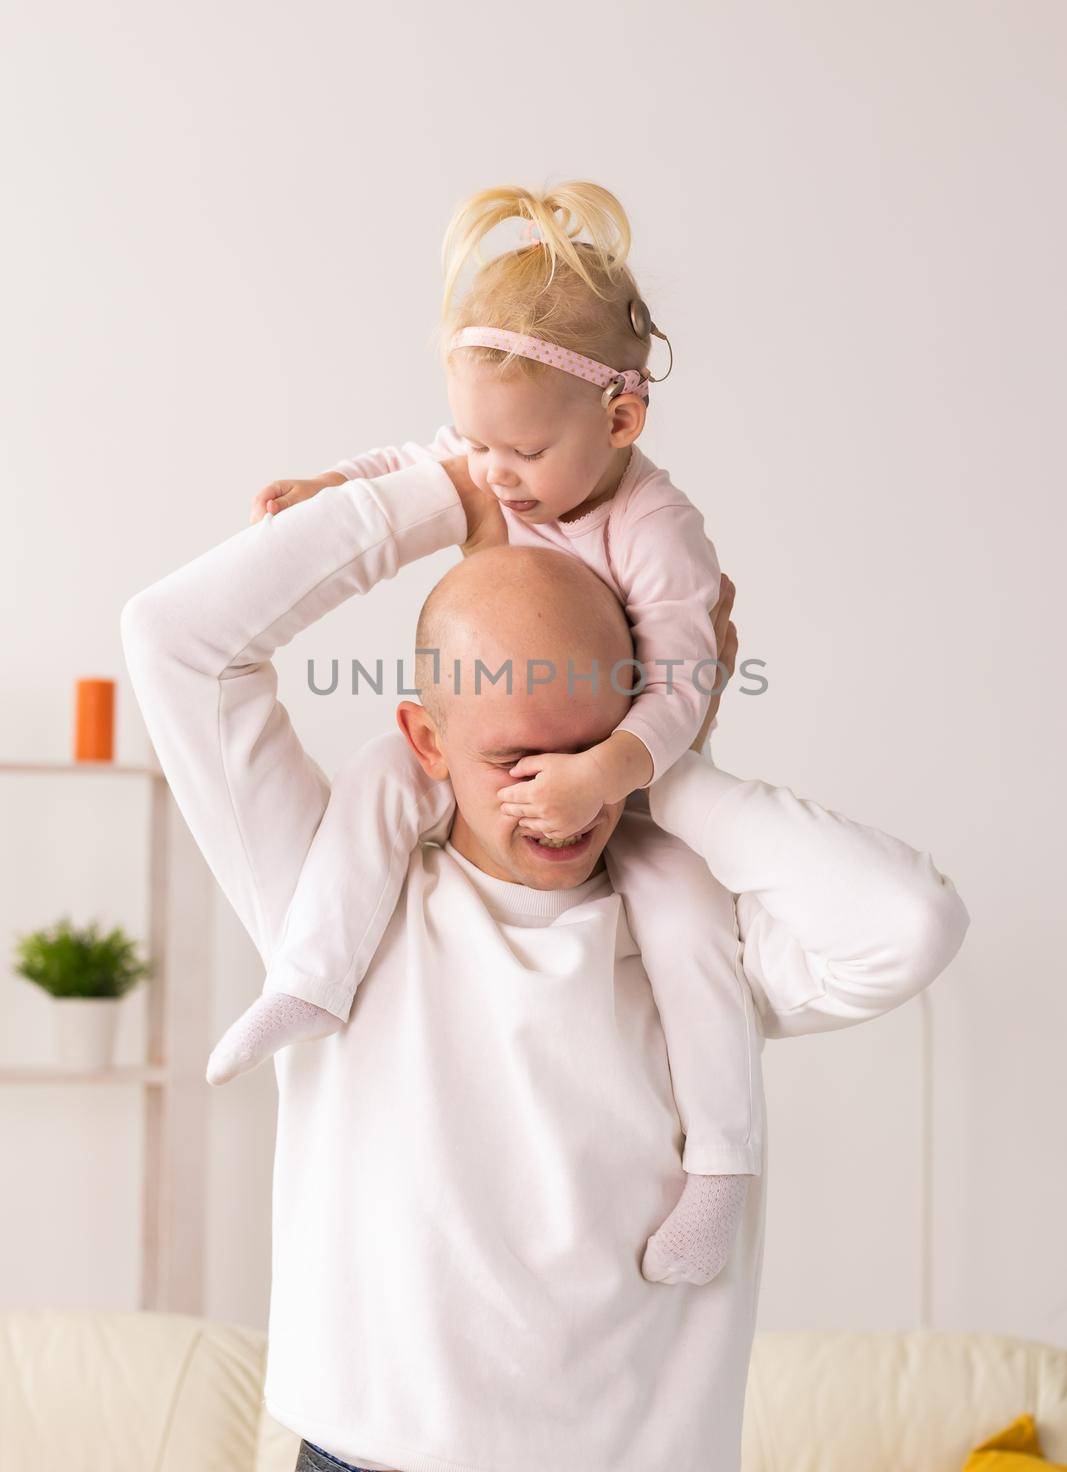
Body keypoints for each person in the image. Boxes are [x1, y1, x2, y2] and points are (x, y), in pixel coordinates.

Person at [120, 456, 968, 1472]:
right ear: (425, 740)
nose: (560, 797)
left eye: (587, 745)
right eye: (517, 759)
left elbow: (910, 922)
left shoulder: (693, 939)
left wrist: (661, 760)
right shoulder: (333, 899)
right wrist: (451, 485)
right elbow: (176, 639)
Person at [206, 179, 762, 1289]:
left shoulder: (656, 528)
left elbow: (686, 683)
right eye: (477, 445)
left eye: (515, 455)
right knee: (376, 777)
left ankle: (720, 1168)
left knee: (692, 925)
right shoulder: (502, 451)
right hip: (501, 746)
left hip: (627, 775)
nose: (491, 477)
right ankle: (314, 973)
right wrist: (335, 486)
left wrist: (603, 775)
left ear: (619, 421)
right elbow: (417, 466)